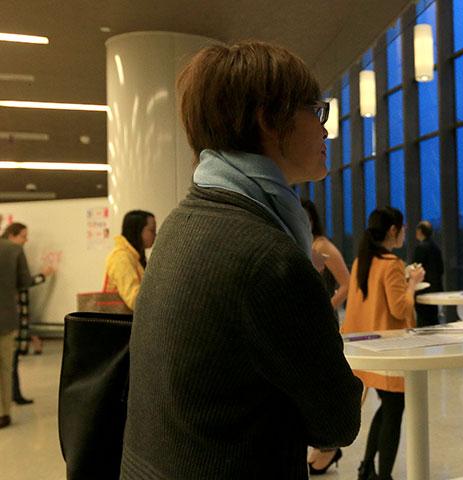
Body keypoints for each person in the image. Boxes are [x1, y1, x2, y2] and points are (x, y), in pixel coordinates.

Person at [120, 41, 362, 479]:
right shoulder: (269, 256)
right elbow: (338, 419)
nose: (325, 130)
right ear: (268, 119)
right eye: (316, 111)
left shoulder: (184, 220)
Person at [342, 207, 425, 480]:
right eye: (402, 228)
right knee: (394, 409)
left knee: (387, 406)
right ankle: (383, 475)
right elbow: (400, 309)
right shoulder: (391, 264)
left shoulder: (361, 261)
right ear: (393, 230)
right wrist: (412, 283)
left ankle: (367, 468)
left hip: (367, 347)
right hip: (390, 349)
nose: (403, 233)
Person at [300, 199, 351, 475]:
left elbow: (347, 284)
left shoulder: (321, 245)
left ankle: (328, 446)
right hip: (306, 324)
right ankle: (323, 445)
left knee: (323, 383)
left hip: (322, 323)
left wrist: (325, 307)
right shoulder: (301, 243)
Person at [0, 223, 54, 427]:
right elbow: (23, 281)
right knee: (6, 365)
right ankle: (3, 413)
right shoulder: (13, 251)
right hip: (5, 317)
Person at [301, 199, 349, 310]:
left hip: (319, 317)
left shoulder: (321, 247)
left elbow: (347, 284)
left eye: (305, 219)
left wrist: (326, 311)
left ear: (312, 221)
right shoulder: (303, 245)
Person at [104, 210, 156, 311]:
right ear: (137, 230)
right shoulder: (121, 258)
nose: (155, 235)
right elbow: (134, 299)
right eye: (151, 230)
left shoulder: (132, 256)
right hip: (120, 324)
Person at [411, 220, 444, 327]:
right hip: (435, 288)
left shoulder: (420, 248)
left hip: (423, 289)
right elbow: (441, 269)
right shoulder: (436, 248)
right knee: (433, 319)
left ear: (420, 231)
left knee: (423, 321)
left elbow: (415, 268)